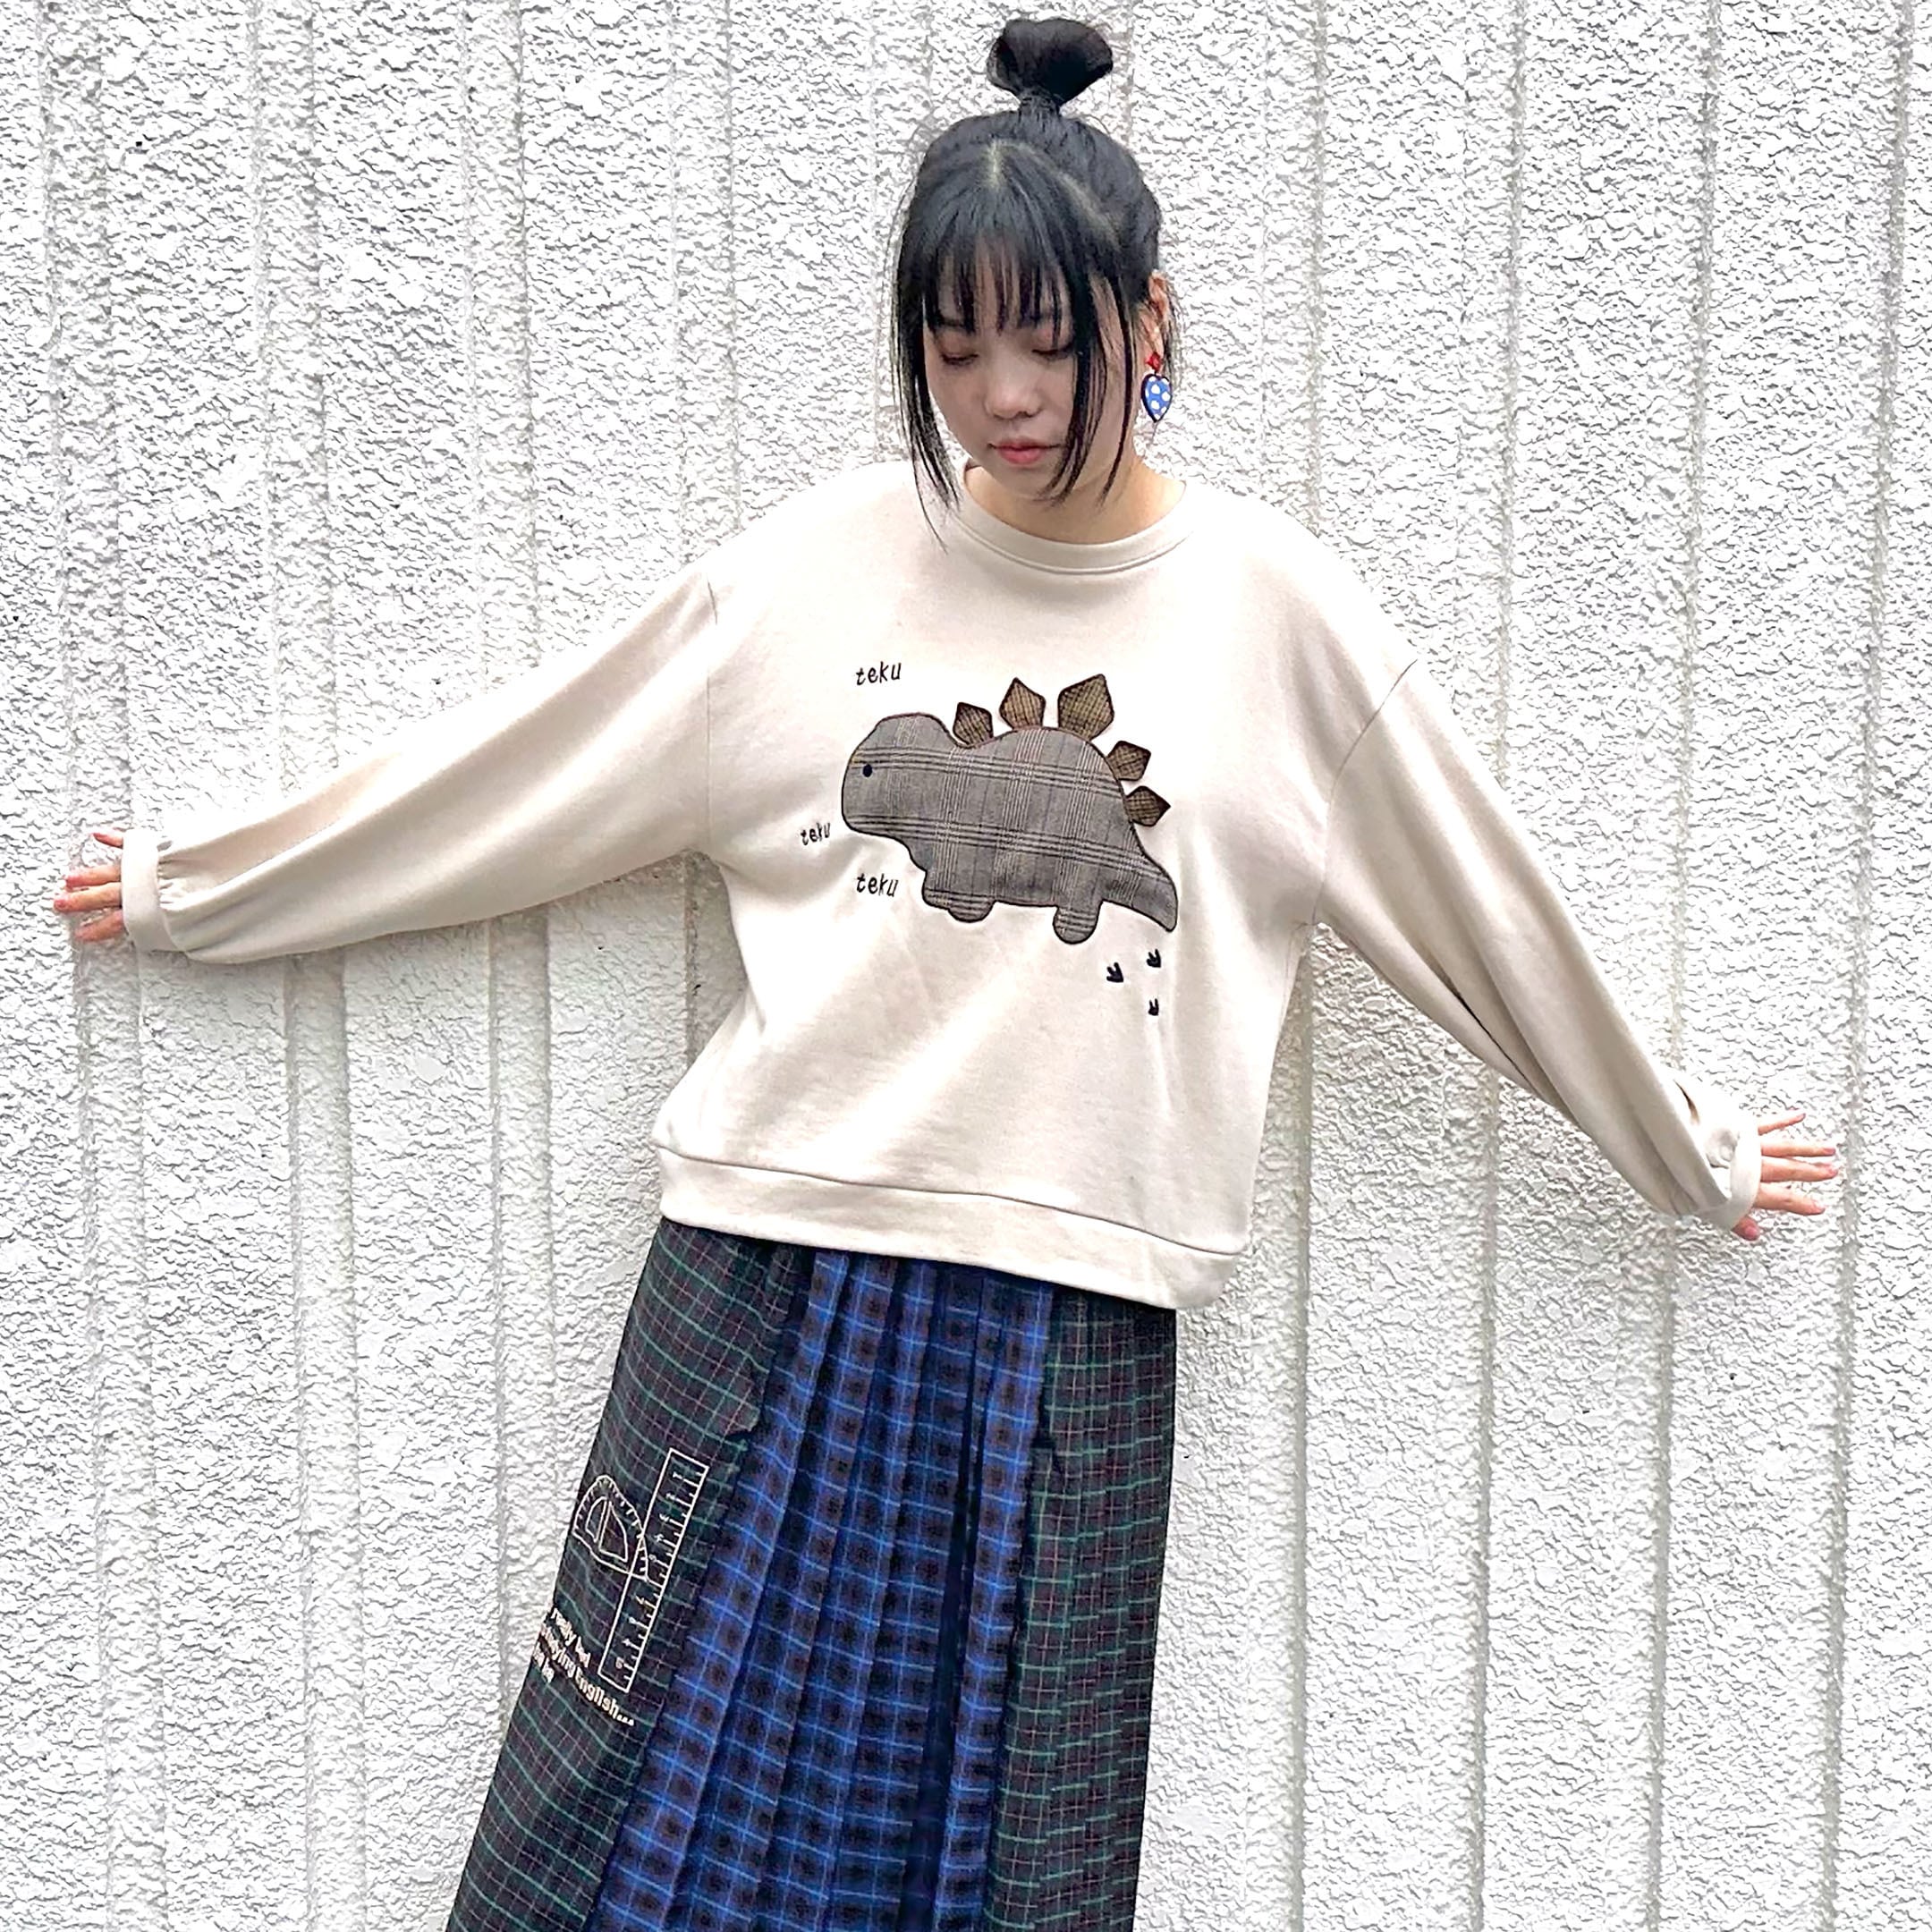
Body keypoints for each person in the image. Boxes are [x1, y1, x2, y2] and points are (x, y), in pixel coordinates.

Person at [48, 15, 1837, 1932]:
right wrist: (198, 886)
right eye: (954, 344)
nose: (1000, 394)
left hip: (1071, 1329)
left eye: (1048, 340)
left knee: (1006, 1869)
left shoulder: (1283, 625)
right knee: (618, 1824)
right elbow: (533, 772)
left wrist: (1685, 1148)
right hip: (766, 1285)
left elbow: (1486, 917)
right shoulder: (817, 578)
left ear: (1150, 322)